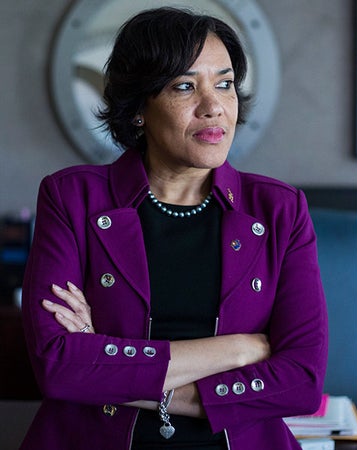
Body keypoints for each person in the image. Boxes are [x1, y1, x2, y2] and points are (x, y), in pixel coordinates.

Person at [21, 7, 328, 450]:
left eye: (224, 84)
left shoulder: (279, 209)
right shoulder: (72, 198)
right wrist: (239, 351)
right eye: (185, 86)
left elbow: (301, 382)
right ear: (139, 108)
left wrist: (106, 368)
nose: (214, 107)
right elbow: (58, 366)